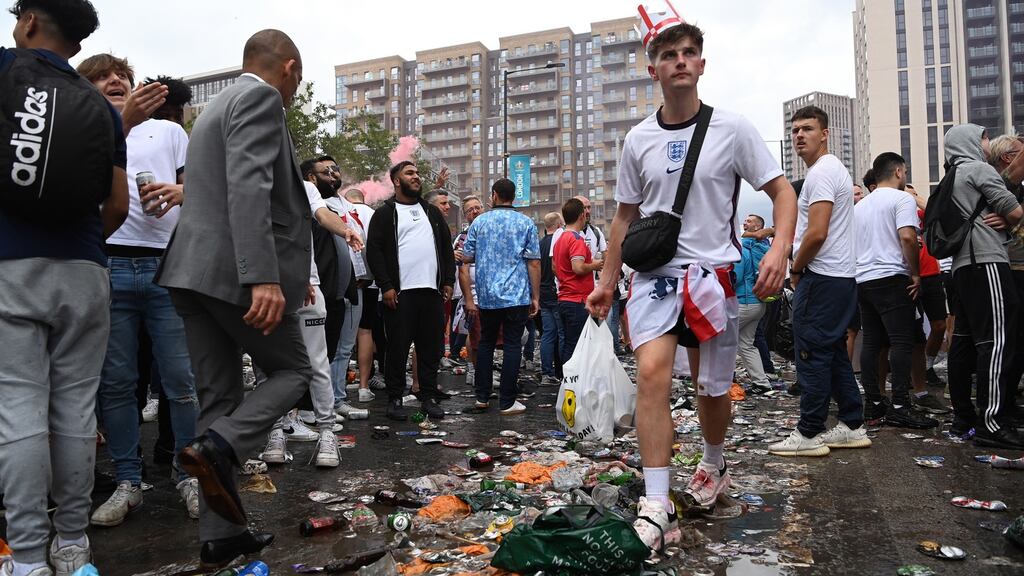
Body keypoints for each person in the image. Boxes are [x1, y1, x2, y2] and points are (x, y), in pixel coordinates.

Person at [586, 6, 796, 551]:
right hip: (654, 277)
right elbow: (624, 217)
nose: (678, 61)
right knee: (652, 375)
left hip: (712, 278)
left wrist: (779, 248)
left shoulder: (732, 128)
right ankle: (657, 500)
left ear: (700, 65)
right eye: (667, 55)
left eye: (687, 54)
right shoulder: (637, 140)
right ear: (652, 68)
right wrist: (608, 280)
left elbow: (781, 191)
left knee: (711, 388)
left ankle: (712, 460)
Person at [155, 29, 311, 568]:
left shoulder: (213, 107)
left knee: (217, 399)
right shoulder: (261, 97)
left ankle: (220, 536)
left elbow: (211, 188)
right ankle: (223, 449)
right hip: (233, 275)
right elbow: (248, 185)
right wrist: (261, 275)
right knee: (295, 374)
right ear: (288, 67)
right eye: (298, 76)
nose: (294, 87)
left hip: (191, 272)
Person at [0, 2, 128, 574]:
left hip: (9, 267)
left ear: (28, 21)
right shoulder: (100, 105)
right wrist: (81, 245)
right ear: (76, 44)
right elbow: (118, 205)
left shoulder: (4, 69)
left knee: (18, 410)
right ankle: (72, 542)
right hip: (85, 270)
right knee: (76, 409)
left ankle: (26, 557)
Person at [76, 53, 201, 525]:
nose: (115, 81)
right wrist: (115, 127)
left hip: (165, 267)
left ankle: (189, 475)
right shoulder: (83, 131)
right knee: (117, 385)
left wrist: (179, 192)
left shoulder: (169, 131)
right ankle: (129, 481)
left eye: (122, 76)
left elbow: (202, 190)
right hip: (106, 265)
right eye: (102, 77)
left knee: (180, 382)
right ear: (85, 88)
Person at [768, 105, 865, 457]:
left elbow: (816, 232)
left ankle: (809, 432)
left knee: (810, 352)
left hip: (822, 276)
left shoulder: (822, 173)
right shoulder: (831, 170)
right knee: (832, 350)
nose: (799, 135)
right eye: (795, 130)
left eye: (807, 129)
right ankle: (853, 424)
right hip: (839, 277)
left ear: (825, 133)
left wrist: (795, 268)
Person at [261, 173, 361, 469]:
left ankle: (327, 432)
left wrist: (345, 231)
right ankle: (276, 432)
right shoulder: (251, 183)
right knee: (269, 365)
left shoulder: (304, 187)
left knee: (317, 363)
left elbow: (321, 214)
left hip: (308, 286)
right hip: (266, 286)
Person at [944, 124, 1023, 449]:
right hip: (986, 260)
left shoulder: (952, 176)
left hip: (962, 266)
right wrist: (1010, 217)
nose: (988, 143)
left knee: (964, 341)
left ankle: (965, 417)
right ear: (971, 143)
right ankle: (992, 421)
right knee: (998, 339)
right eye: (984, 137)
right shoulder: (977, 168)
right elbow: (1015, 211)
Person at [852, 153, 937, 429]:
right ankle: (900, 404)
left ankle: (874, 404)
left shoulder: (860, 206)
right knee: (902, 341)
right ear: (899, 171)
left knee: (873, 342)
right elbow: (908, 236)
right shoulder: (902, 199)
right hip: (892, 276)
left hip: (864, 279)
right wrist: (915, 272)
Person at [365, 161, 455, 421]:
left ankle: (428, 397)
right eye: (410, 173)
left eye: (417, 173)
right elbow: (375, 252)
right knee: (397, 348)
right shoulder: (385, 214)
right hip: (400, 294)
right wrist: (386, 286)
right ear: (396, 180)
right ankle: (395, 399)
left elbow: (446, 249)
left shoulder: (432, 213)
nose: (416, 177)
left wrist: (447, 280)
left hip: (432, 292)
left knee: (431, 348)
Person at [460, 178, 541, 415]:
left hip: (487, 295)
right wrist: (535, 296)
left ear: (494, 195)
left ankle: (482, 397)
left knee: (485, 343)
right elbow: (534, 263)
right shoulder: (526, 223)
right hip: (516, 294)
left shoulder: (480, 223)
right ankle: (507, 401)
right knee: (513, 344)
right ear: (513, 196)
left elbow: (466, 257)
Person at [987, 134, 1024, 424]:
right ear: (1009, 158)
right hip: (1013, 268)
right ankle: (1002, 406)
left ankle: (1007, 402)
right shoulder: (997, 185)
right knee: (1011, 340)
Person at [343, 187, 386, 402]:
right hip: (369, 282)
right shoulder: (373, 215)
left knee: (339, 335)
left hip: (343, 281)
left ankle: (337, 386)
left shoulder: (340, 211)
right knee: (365, 332)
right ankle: (363, 386)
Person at [554, 198, 603, 363]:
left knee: (569, 343)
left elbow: (555, 267)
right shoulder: (576, 239)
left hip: (564, 298)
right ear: (581, 215)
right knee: (577, 347)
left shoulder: (559, 239)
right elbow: (578, 267)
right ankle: (572, 384)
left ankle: (568, 383)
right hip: (577, 300)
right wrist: (595, 265)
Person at [735, 214, 772, 393]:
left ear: (758, 228)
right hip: (758, 303)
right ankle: (762, 383)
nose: (745, 223)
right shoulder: (764, 247)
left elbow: (737, 277)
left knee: (718, 339)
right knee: (746, 344)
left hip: (744, 302)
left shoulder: (743, 248)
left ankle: (722, 380)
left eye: (749, 221)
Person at [453, 195, 485, 385]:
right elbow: (461, 267)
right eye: (470, 210)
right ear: (465, 216)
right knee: (474, 335)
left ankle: (484, 371)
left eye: (478, 207)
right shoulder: (462, 238)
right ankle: (474, 371)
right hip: (472, 294)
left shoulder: (491, 230)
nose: (475, 211)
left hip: (492, 294)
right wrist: (468, 299)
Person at [538, 211, 565, 386]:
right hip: (556, 291)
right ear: (556, 226)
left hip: (542, 292)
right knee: (563, 333)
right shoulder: (560, 242)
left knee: (548, 334)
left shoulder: (539, 244)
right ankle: (564, 372)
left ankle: (547, 372)